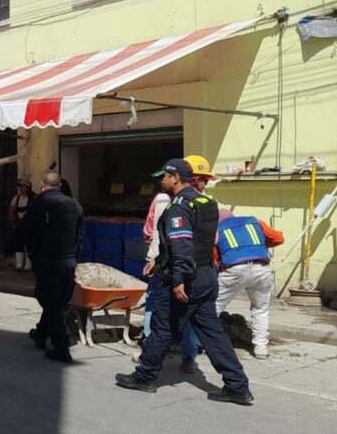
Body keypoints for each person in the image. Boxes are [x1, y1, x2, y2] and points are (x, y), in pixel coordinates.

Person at [116, 159, 254, 405]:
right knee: (212, 333)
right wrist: (158, 261)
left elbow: (182, 245)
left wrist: (178, 279)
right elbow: (201, 242)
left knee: (162, 328)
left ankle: (145, 377)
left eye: (164, 177)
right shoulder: (207, 202)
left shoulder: (179, 206)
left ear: (175, 178)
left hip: (186, 279)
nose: (161, 182)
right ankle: (237, 386)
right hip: (206, 276)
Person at [136, 188, 200, 373]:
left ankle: (149, 351)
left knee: (154, 305)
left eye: (165, 176)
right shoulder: (202, 202)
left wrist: (154, 257)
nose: (162, 180)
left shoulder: (163, 200)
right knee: (187, 310)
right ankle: (189, 357)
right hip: (189, 264)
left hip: (166, 262)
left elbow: (149, 231)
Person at [25, 171, 84, 363]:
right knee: (56, 300)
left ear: (43, 186)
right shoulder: (76, 206)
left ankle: (62, 347)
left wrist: (24, 252)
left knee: (51, 301)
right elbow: (79, 236)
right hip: (68, 261)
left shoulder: (40, 205)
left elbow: (27, 231)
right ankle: (42, 334)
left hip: (48, 261)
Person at [215, 208, 284, 359]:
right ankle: (260, 349)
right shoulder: (255, 222)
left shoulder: (217, 229)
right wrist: (256, 246)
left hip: (233, 269)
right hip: (261, 267)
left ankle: (205, 344)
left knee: (213, 307)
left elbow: (214, 258)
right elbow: (278, 238)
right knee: (260, 309)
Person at [9, 179, 34, 271]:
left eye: (22, 187)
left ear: (27, 188)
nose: (20, 188)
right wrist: (12, 222)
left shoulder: (33, 199)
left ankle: (28, 264)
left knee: (29, 244)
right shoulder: (16, 198)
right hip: (19, 223)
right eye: (19, 187)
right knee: (18, 243)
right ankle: (19, 264)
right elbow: (11, 210)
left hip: (29, 224)